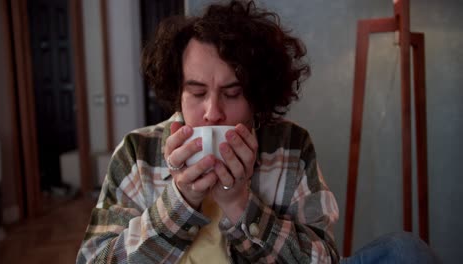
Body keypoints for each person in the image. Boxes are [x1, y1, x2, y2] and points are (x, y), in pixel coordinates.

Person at [77, 1, 438, 263]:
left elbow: (323, 259)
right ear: (178, 91)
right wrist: (180, 200)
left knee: (405, 251)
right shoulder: (137, 152)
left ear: (257, 98)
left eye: (232, 93)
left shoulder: (290, 146)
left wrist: (240, 205)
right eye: (197, 92)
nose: (212, 112)